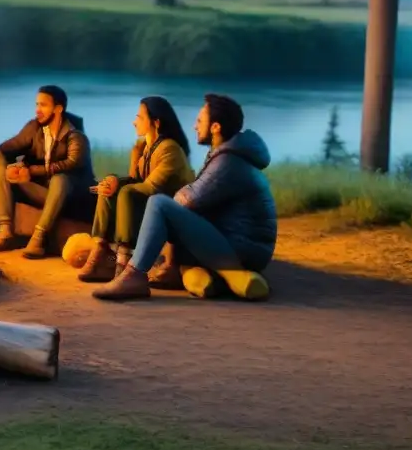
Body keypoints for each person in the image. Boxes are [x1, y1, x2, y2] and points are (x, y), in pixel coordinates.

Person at [92, 93, 277, 302]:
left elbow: (188, 200)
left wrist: (180, 195)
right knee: (169, 209)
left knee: (160, 203)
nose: (194, 127)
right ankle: (180, 273)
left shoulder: (228, 161)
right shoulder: (224, 155)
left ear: (215, 127)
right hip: (231, 240)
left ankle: (134, 275)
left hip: (244, 249)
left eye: (200, 121)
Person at [77, 96, 194, 282]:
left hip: (168, 215)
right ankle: (101, 251)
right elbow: (135, 180)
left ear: (155, 122)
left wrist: (121, 185)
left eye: (139, 117)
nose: (134, 122)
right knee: (107, 190)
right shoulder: (146, 148)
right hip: (147, 208)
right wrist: (113, 181)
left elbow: (150, 187)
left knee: (126, 191)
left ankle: (124, 260)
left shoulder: (169, 149)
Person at [0, 85, 95, 258]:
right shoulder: (34, 128)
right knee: (3, 164)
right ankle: (6, 230)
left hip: (70, 199)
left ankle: (40, 238)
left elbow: (71, 164)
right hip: (42, 192)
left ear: (58, 109)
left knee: (60, 179)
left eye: (43, 105)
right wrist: (8, 165)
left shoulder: (75, 136)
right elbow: (5, 149)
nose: (38, 110)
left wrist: (31, 171)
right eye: (37, 104)